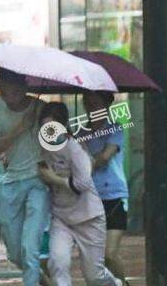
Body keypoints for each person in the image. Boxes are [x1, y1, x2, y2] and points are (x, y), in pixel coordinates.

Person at [38, 102, 121, 286]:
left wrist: (54, 178)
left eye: (52, 128)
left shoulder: (75, 147)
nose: (48, 133)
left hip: (89, 218)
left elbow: (83, 183)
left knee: (94, 276)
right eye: (44, 128)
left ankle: (115, 283)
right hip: (62, 218)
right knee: (58, 263)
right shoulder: (42, 148)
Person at [0, 68, 49, 286]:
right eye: (5, 92)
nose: (10, 98)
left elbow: (56, 139)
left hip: (38, 182)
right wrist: (21, 128)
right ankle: (44, 280)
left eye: (15, 92)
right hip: (11, 182)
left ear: (25, 88)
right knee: (15, 251)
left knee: (30, 247)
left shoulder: (40, 108)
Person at [80, 91, 129, 284]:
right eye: (88, 104)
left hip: (115, 196)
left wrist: (84, 166)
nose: (92, 108)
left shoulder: (115, 129)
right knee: (95, 257)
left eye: (96, 104)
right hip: (90, 198)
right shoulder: (81, 133)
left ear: (107, 105)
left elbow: (105, 157)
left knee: (110, 253)